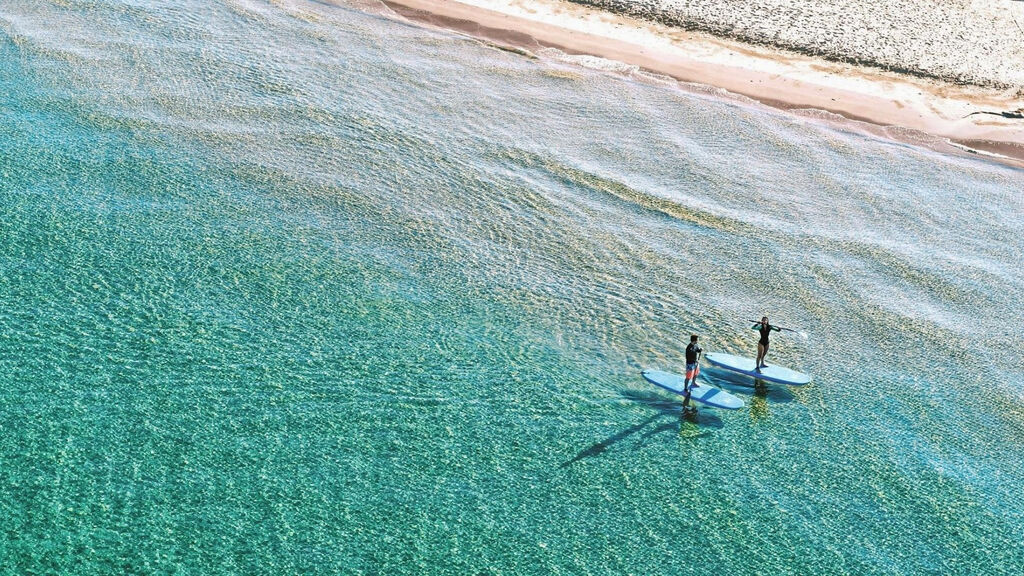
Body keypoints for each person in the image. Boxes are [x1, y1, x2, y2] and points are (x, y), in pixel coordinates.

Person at [682, 334, 702, 411]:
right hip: (690, 364)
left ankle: (693, 383)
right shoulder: (688, 348)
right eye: (697, 339)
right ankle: (685, 388)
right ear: (694, 340)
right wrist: (695, 360)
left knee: (696, 373)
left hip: (695, 363)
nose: (698, 341)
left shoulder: (695, 345)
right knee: (688, 377)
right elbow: (689, 357)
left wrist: (700, 350)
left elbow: (697, 350)